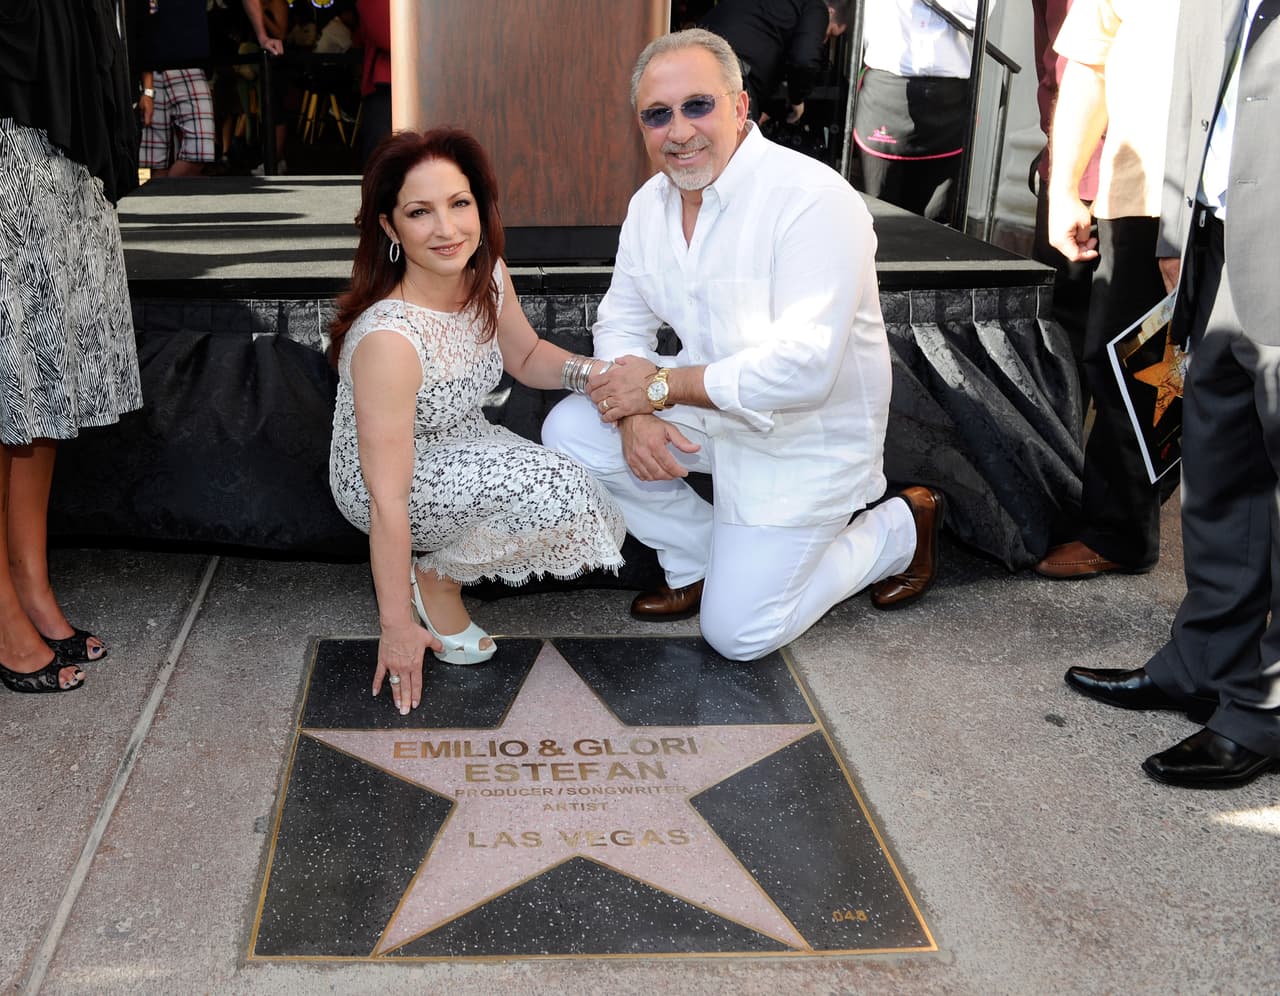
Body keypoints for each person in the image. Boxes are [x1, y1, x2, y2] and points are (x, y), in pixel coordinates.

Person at [541, 29, 944, 664]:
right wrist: (637, 411)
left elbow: (803, 371)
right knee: (572, 428)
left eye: (697, 105)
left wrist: (657, 390)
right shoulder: (650, 204)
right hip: (712, 413)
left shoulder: (811, 200)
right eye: (657, 115)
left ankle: (897, 530)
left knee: (739, 635)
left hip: (803, 437)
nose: (679, 131)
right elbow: (621, 321)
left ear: (739, 107)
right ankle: (700, 560)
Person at [328, 129, 626, 716]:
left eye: (459, 204)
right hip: (382, 482)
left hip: (464, 441)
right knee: (562, 493)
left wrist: (598, 376)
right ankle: (433, 580)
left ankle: (438, 571)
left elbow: (527, 356)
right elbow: (388, 498)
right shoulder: (390, 339)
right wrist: (395, 628)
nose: (447, 229)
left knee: (583, 496)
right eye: (420, 212)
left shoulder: (487, 275)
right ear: (389, 227)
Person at [1065, 0, 1280, 789]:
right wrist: (1177, 240)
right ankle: (1202, 662)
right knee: (1218, 474)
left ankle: (1264, 709)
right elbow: (1202, 105)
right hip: (1218, 243)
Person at [0, 0, 144, 693]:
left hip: (64, 112)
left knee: (41, 368)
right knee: (6, 363)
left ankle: (31, 585)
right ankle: (3, 614)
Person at [1037, 0, 1180, 579]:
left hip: (1236, 198)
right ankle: (1123, 529)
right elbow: (1088, 65)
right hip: (1138, 186)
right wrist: (1066, 184)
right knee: (1129, 363)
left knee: (1216, 375)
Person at [853, 0, 995, 223]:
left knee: (937, 219)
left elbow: (976, 12)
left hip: (948, 96)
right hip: (888, 87)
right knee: (878, 211)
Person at [133, 0, 283, 178]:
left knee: (200, 152)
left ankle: (165, 194)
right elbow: (140, 22)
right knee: (157, 163)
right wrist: (147, 88)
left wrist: (262, 36)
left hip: (191, 65)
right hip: (149, 68)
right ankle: (164, 201)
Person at [698, 0, 852, 123]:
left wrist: (764, 107)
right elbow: (803, 60)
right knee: (736, 152)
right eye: (829, 33)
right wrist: (797, 99)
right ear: (830, 12)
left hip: (698, 54)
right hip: (731, 69)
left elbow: (766, 40)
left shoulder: (781, 9)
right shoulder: (817, 7)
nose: (823, 41)